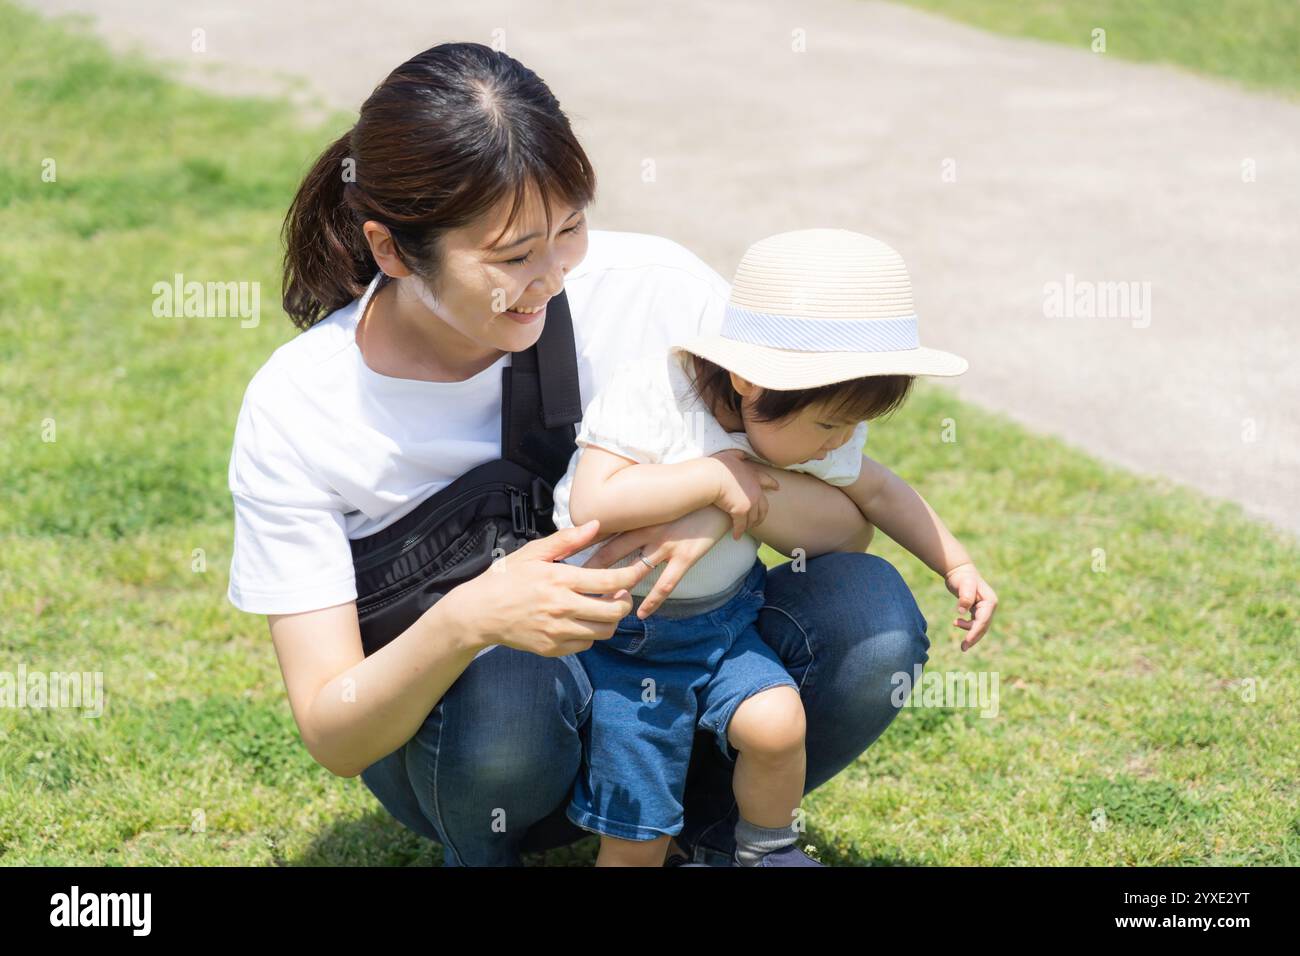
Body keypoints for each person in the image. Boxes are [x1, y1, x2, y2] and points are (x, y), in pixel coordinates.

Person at [226, 42, 941, 868]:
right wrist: (467, 619)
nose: (553, 276)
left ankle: (702, 835)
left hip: (677, 673)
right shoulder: (305, 405)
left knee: (869, 616)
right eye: (511, 256)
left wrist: (718, 501)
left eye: (569, 231)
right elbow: (334, 729)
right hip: (469, 750)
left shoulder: (657, 294)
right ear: (391, 250)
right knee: (509, 677)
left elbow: (844, 531)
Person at [551, 229, 999, 866]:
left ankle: (767, 849)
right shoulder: (654, 397)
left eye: (852, 425)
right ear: (748, 381)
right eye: (829, 425)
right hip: (621, 640)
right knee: (639, 826)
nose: (838, 443)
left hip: (724, 626)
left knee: (779, 723)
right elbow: (593, 505)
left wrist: (956, 563)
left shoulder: (809, 422)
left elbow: (881, 493)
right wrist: (711, 477)